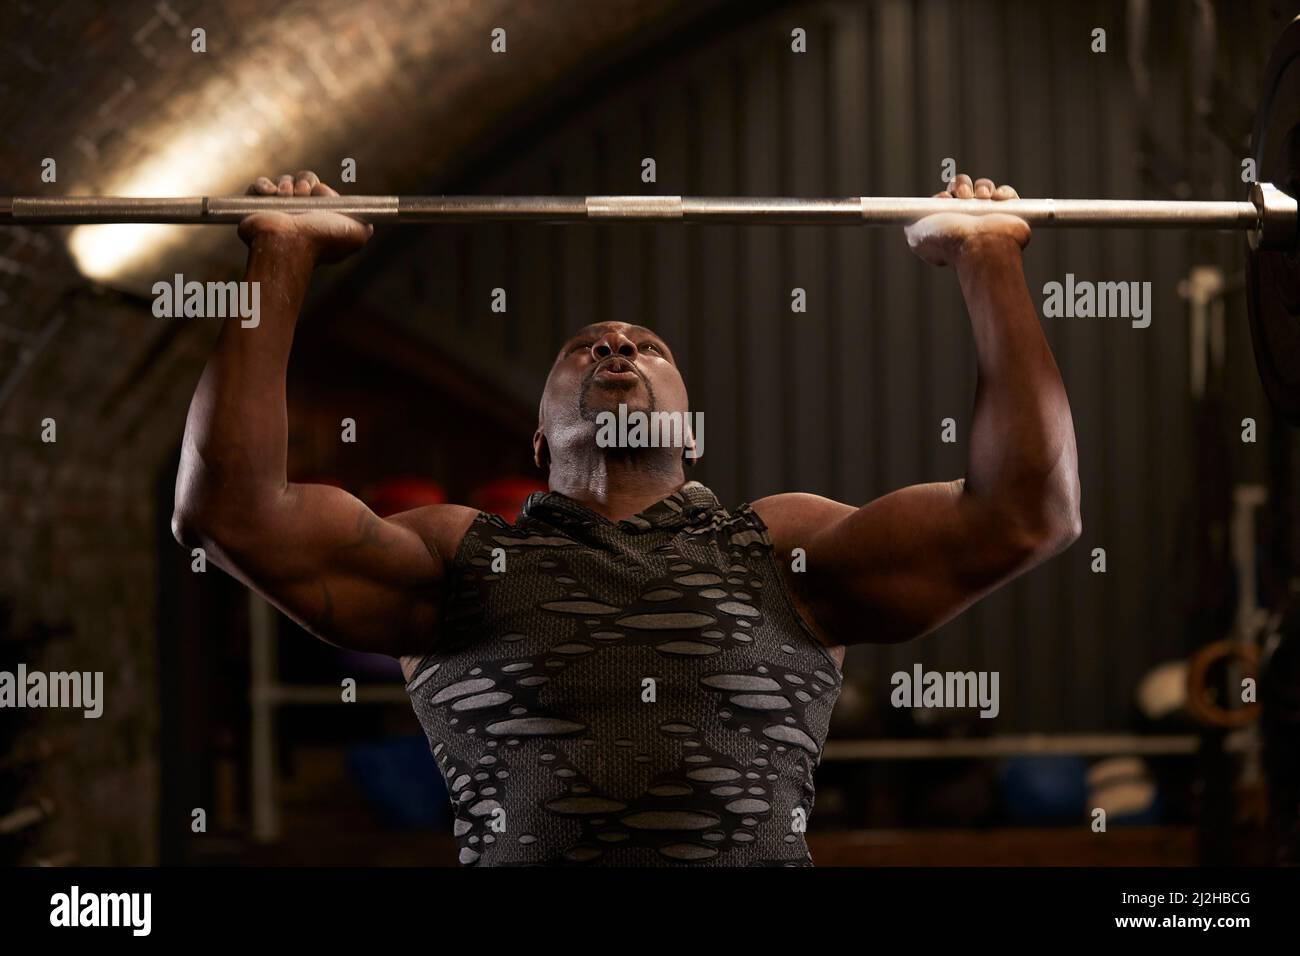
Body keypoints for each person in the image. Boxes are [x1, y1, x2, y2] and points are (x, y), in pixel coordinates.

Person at [172, 169, 1081, 865]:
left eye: (648, 347)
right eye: (586, 348)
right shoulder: (458, 559)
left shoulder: (781, 549)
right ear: (539, 438)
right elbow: (229, 515)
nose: (616, 345)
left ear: (693, 432)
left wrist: (989, 258)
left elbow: (1027, 513)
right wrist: (281, 251)